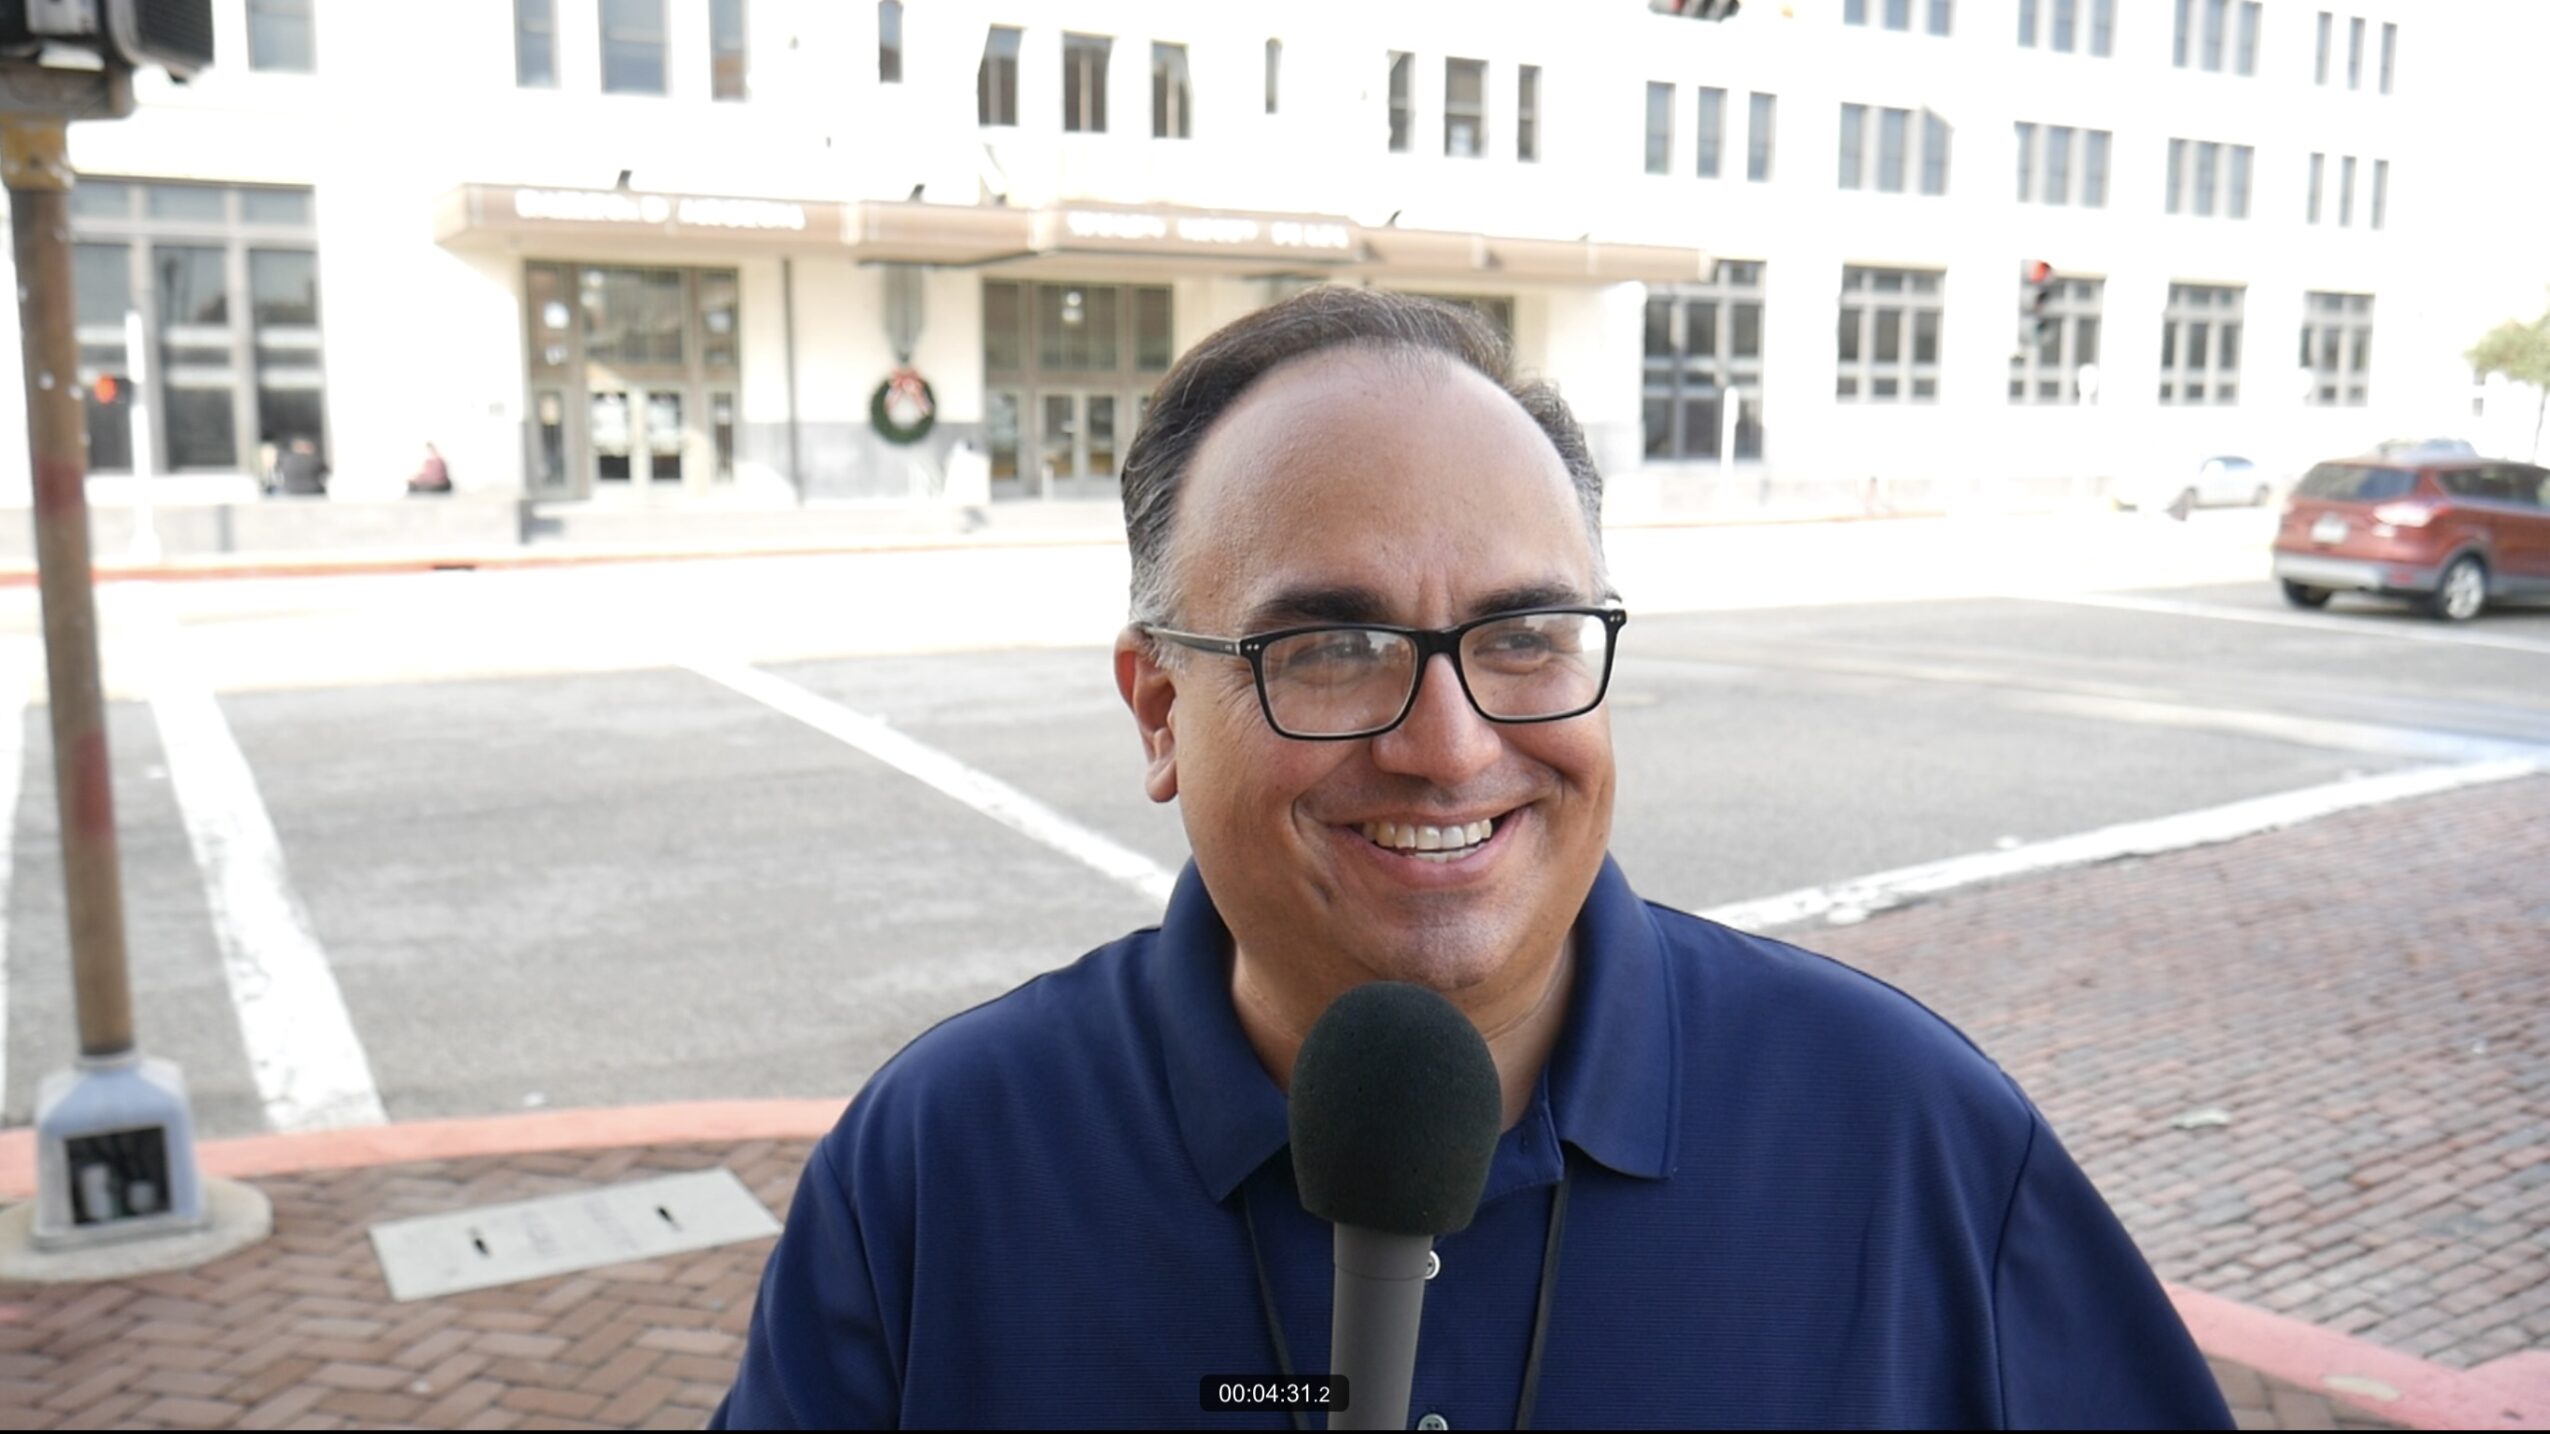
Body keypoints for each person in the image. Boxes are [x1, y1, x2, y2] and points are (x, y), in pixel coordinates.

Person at [712, 289, 2233, 1429]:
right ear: (1160, 709)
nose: (1447, 747)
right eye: (1331, 647)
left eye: (1523, 635)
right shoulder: (943, 1163)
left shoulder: (1907, 1135)